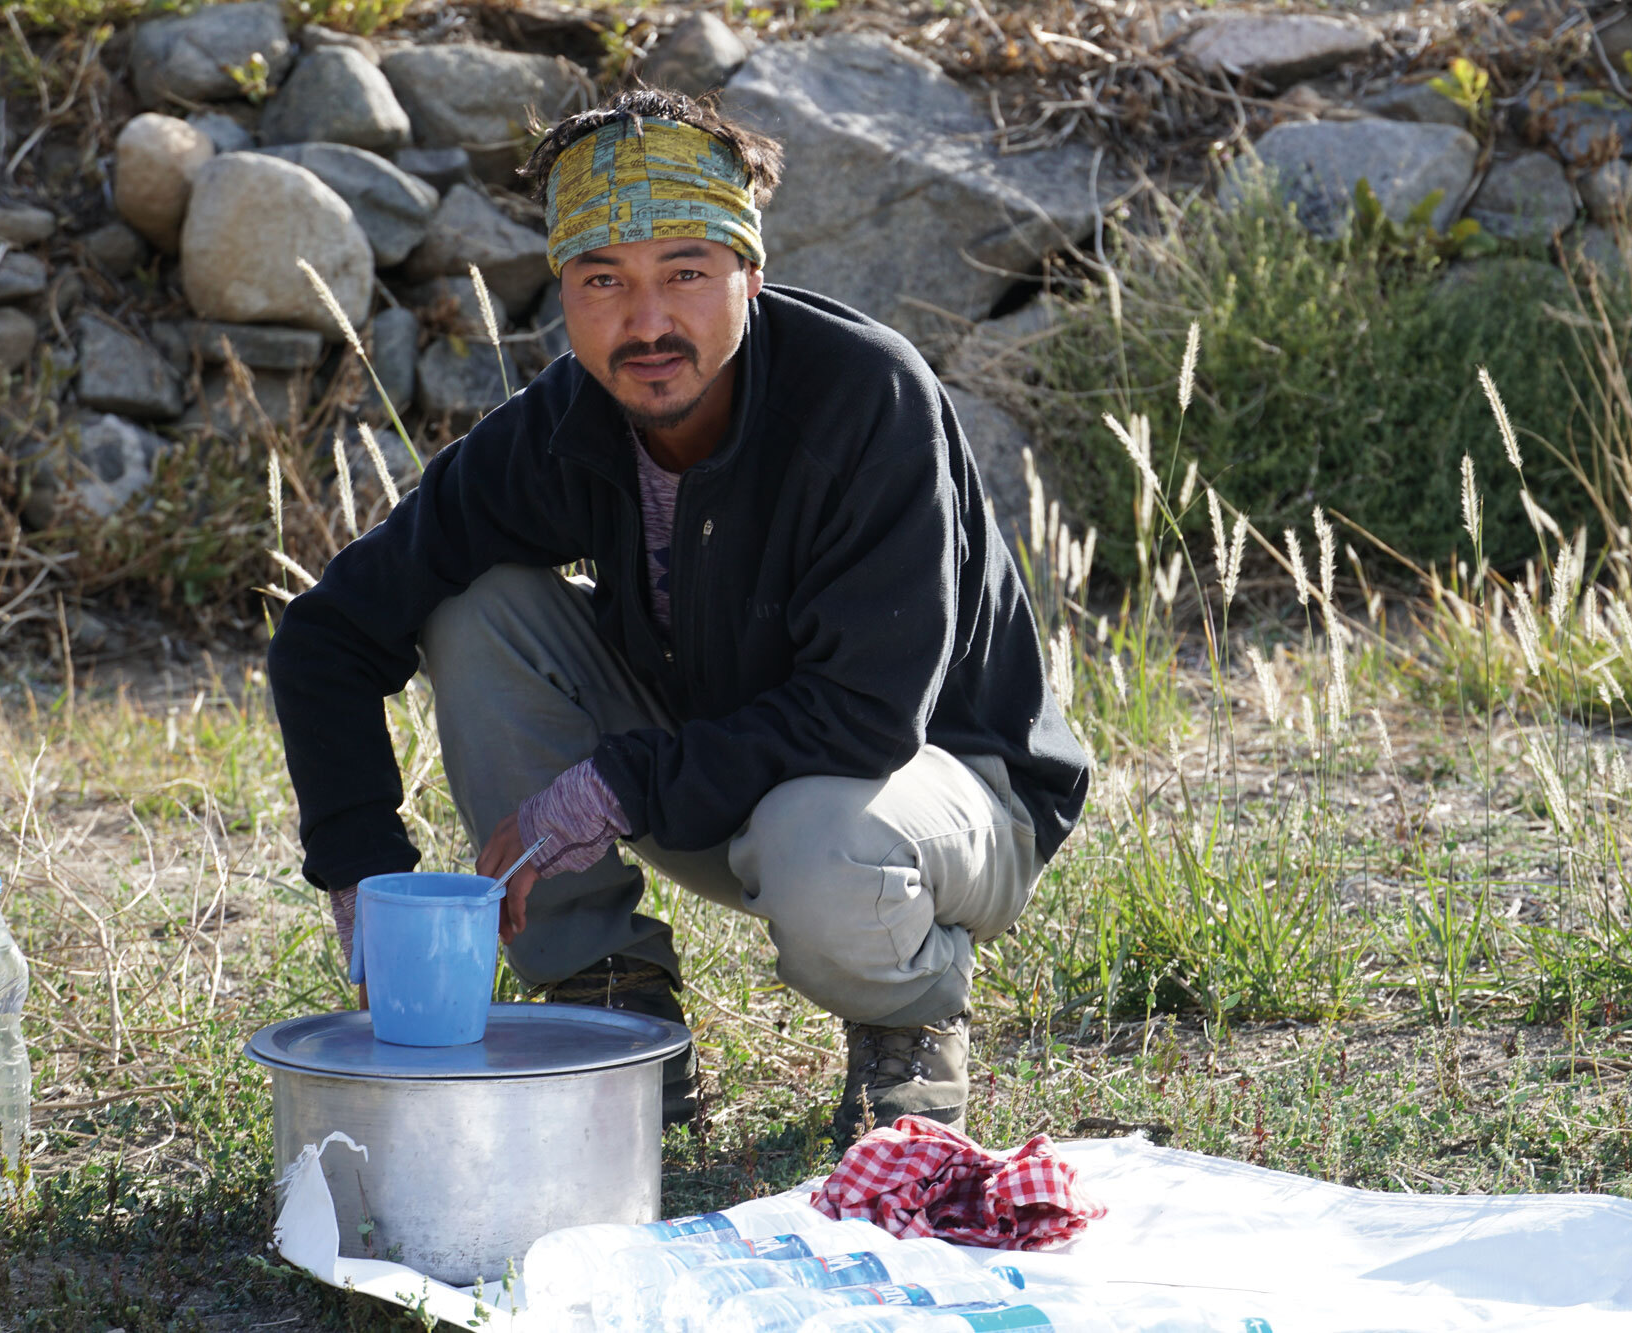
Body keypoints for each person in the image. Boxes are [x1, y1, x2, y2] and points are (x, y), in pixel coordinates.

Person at [268, 88, 1088, 1140]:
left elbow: (865, 718)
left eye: (685, 273)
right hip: (719, 773)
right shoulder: (561, 426)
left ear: (751, 273)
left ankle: (906, 1021)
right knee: (477, 606)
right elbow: (327, 635)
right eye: (602, 279)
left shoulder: (864, 398)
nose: (645, 321)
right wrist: (362, 872)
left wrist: (611, 782)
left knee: (819, 832)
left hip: (938, 791)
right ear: (560, 293)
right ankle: (607, 1004)